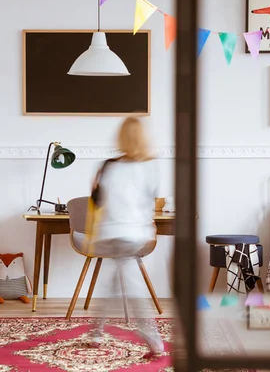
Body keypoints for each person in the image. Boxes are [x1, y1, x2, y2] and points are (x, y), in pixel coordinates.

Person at [89, 116, 163, 357]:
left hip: (112, 232)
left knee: (126, 286)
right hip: (136, 233)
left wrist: (95, 186)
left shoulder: (109, 165)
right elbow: (149, 201)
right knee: (119, 282)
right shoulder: (150, 166)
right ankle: (97, 333)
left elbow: (98, 202)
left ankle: (153, 341)